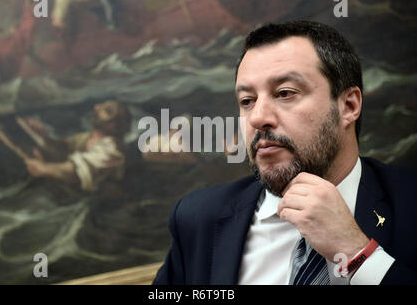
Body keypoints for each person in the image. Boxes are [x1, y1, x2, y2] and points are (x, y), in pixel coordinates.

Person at [153, 21, 417, 285]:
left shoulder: (409, 204)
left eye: (285, 93)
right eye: (247, 101)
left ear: (348, 106)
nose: (257, 118)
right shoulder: (198, 218)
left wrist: (356, 252)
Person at [24, 100, 130, 192]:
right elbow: (64, 150)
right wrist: (44, 136)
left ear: (115, 126)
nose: (97, 107)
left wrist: (44, 168)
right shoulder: (87, 137)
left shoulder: (113, 149)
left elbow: (77, 172)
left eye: (107, 111)